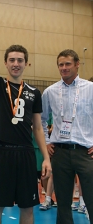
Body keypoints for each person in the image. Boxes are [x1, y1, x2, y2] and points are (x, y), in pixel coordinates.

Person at [0, 5, 52, 224]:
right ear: (5, 63)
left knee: (28, 209)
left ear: (26, 63)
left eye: (20, 60)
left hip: (26, 155)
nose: (16, 64)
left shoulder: (34, 92)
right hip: (2, 154)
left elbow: (38, 128)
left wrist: (46, 157)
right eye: (11, 60)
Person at [41, 49, 93, 224]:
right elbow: (40, 120)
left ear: (77, 64)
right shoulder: (50, 92)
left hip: (86, 153)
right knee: (63, 203)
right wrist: (47, 143)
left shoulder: (90, 89)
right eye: (61, 65)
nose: (64, 68)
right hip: (60, 153)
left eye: (68, 64)